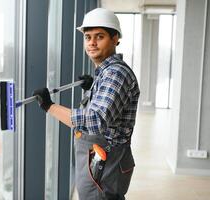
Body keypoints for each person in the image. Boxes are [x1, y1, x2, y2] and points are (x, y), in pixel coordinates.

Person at [33, 8, 140, 200]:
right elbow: (109, 107)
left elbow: (96, 120)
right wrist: (92, 89)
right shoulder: (106, 72)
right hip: (103, 162)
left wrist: (50, 106)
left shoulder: (115, 74)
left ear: (115, 39)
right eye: (88, 37)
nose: (91, 42)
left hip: (106, 165)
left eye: (99, 36)